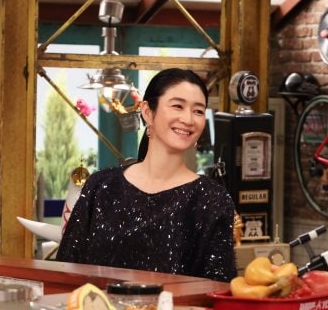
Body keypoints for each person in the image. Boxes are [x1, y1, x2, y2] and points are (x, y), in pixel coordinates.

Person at [56, 68, 237, 282]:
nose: (188, 119)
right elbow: (65, 272)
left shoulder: (212, 199)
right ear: (147, 112)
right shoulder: (100, 186)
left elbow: (218, 288)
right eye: (177, 106)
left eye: (198, 111)